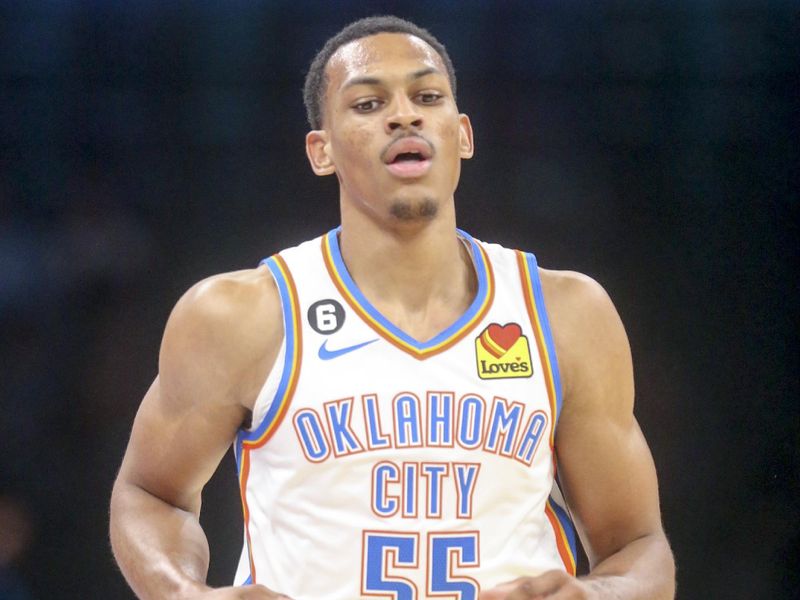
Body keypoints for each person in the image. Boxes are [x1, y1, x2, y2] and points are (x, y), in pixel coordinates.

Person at [110, 15, 675, 600]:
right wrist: (183, 594)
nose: (404, 114)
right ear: (320, 150)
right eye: (367, 103)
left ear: (462, 135)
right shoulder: (242, 314)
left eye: (427, 96)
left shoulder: (564, 314)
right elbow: (149, 494)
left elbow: (637, 546)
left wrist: (597, 595)